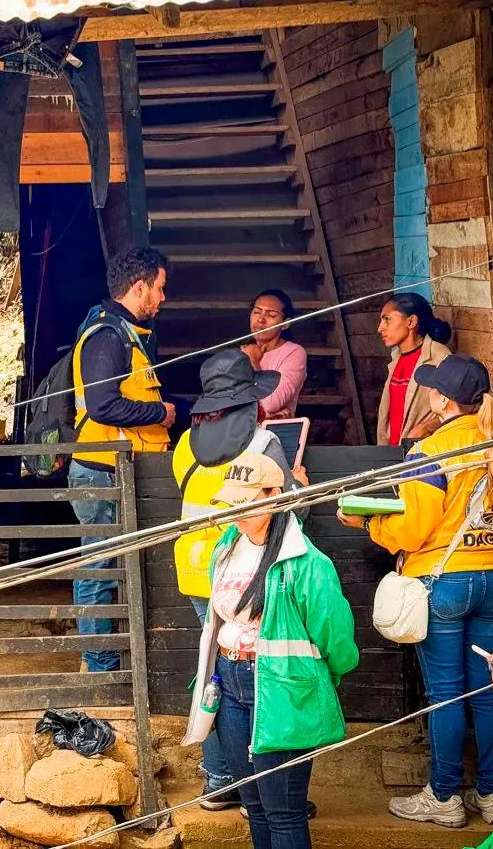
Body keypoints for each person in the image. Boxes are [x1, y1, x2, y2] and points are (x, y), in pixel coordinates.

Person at [338, 354, 493, 827]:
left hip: (443, 583)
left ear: (443, 399)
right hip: (490, 578)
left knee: (445, 693)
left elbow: (411, 532)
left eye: (431, 387)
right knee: (487, 693)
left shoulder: (430, 453)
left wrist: (369, 522)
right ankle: (490, 795)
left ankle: (444, 796)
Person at [185, 452, 359, 849]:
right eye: (232, 503)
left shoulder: (308, 563)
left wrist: (316, 680)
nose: (236, 513)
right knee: (254, 804)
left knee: (283, 812)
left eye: (246, 503)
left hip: (282, 687)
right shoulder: (226, 548)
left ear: (276, 495)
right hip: (227, 681)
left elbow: (337, 637)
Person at [172, 349, 307, 810]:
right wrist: (299, 484)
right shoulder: (264, 443)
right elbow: (285, 511)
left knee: (211, 670)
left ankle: (217, 781)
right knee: (255, 671)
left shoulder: (185, 444)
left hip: (195, 569)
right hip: (244, 569)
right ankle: (262, 787)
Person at [69, 246, 176, 672]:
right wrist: (160, 413)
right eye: (160, 288)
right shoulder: (106, 336)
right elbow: (102, 406)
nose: (163, 299)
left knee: (113, 565)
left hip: (124, 470)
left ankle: (109, 660)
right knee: (98, 569)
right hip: (101, 471)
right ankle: (100, 666)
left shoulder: (128, 335)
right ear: (139, 287)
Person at [376, 292, 452, 446]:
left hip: (420, 456)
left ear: (411, 322)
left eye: (387, 319)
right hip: (391, 455)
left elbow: (458, 410)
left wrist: (427, 427)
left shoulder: (439, 357)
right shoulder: (395, 360)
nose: (380, 328)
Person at [241, 289, 308, 419]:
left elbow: (270, 404)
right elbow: (225, 404)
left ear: (285, 324)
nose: (260, 320)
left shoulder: (294, 353)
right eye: (256, 312)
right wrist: (266, 414)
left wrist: (254, 363)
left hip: (273, 435)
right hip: (236, 434)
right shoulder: (242, 351)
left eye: (271, 315)